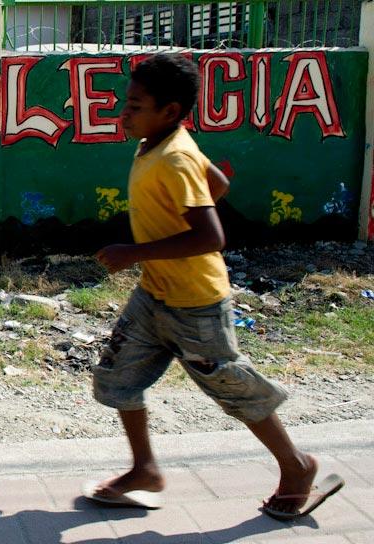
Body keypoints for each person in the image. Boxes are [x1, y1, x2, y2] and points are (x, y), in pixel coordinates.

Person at [87, 53, 343, 520]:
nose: (124, 112)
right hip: (154, 295)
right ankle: (145, 469)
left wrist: (135, 252)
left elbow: (211, 236)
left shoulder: (175, 156)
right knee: (116, 376)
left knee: (232, 388)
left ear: (169, 111)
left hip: (196, 303)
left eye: (135, 104)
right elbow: (219, 182)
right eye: (127, 102)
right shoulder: (160, 142)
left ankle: (297, 465)